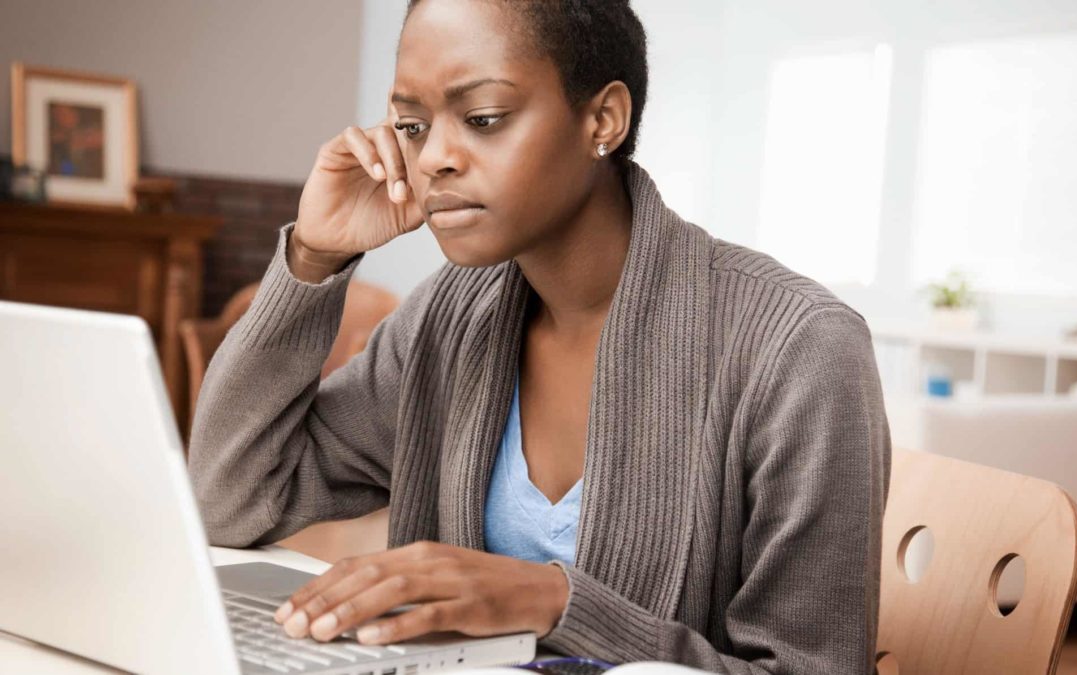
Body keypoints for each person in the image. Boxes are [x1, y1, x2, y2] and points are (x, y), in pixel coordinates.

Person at [186, 0, 892, 672]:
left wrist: (554, 603)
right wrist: (314, 255)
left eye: (483, 117)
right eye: (411, 125)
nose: (433, 157)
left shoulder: (798, 349)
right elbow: (232, 502)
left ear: (603, 120)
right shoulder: (448, 317)